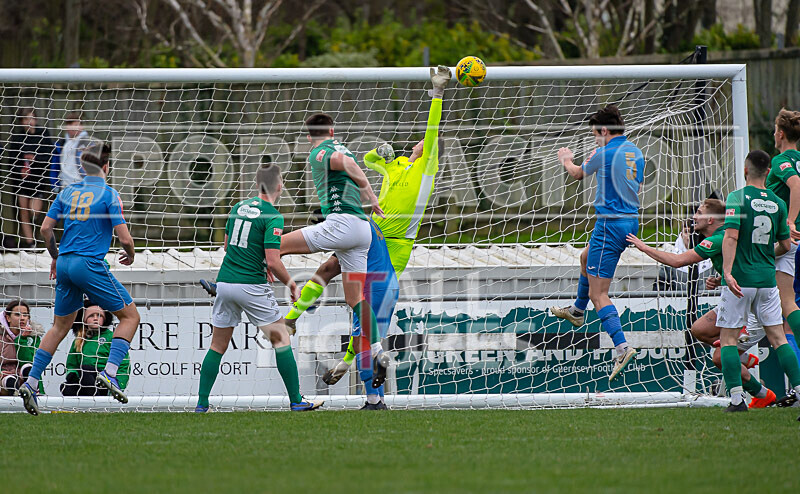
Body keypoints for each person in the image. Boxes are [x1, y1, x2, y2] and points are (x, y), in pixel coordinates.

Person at [280, 65, 451, 382]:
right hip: (369, 232)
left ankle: (348, 364)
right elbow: (369, 162)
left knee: (367, 303)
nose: (421, 142)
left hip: (395, 247)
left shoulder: (427, 168)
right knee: (331, 272)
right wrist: (379, 152)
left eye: (425, 141)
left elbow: (432, 129)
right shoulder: (398, 166)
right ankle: (292, 319)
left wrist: (437, 94)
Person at [18, 142, 141, 416]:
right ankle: (109, 372)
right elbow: (125, 238)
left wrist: (55, 256)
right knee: (131, 317)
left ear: (82, 168)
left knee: (60, 327)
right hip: (88, 263)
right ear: (107, 167)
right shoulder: (109, 194)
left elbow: (45, 229)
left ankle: (32, 382)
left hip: (65, 262)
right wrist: (130, 254)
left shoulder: (67, 191)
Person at [195, 164, 322, 413]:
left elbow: (227, 245)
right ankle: (296, 400)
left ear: (256, 184)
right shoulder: (273, 215)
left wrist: (258, 261)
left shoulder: (237, 207)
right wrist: (292, 284)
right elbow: (274, 261)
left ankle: (202, 404)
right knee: (281, 339)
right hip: (251, 286)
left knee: (217, 346)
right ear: (279, 185)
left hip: (225, 283)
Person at [627, 199, 776, 408]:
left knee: (720, 358)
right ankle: (742, 361)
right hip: (740, 297)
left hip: (751, 306)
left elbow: (677, 261)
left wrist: (643, 247)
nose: (694, 217)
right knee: (699, 329)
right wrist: (721, 278)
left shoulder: (718, 239)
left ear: (710, 219)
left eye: (698, 212)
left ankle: (760, 394)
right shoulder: (726, 236)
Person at [278, 109, 389, 389]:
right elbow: (348, 160)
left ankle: (232, 284)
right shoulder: (340, 144)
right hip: (362, 231)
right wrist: (368, 195)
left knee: (276, 246)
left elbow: (343, 162)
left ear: (308, 135)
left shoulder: (319, 152)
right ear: (332, 130)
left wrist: (368, 190)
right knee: (355, 300)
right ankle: (378, 351)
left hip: (341, 225)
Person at [550, 105, 644, 382]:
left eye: (595, 134)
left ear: (604, 131)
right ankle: (577, 312)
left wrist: (566, 159)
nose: (594, 138)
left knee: (599, 294)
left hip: (609, 224)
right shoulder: (635, 151)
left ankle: (622, 347)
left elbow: (577, 173)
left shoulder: (603, 152)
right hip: (629, 219)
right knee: (585, 258)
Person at [717, 149, 800, 412]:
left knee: (728, 339)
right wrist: (766, 253)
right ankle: (799, 391)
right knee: (778, 339)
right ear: (768, 172)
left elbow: (730, 237)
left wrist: (728, 272)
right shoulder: (778, 202)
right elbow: (786, 245)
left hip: (740, 281)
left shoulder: (737, 198)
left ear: (745, 170)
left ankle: (737, 399)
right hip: (767, 281)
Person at [766, 108, 800, 369]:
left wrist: (789, 221)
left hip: (789, 242)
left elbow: (796, 185)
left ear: (779, 133)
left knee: (787, 306)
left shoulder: (780, 161)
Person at [6, 107, 55, 248]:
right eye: (26, 119)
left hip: (38, 180)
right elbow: (11, 162)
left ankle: (41, 235)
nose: (29, 122)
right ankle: (30, 243)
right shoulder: (17, 138)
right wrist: (20, 170)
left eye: (31, 118)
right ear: (21, 121)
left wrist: (35, 159)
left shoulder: (43, 134)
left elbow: (49, 156)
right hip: (22, 182)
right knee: (24, 212)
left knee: (35, 211)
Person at [62, 303, 130, 397]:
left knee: (87, 370)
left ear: (105, 319)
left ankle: (98, 398)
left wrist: (119, 383)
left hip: (104, 379)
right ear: (84, 320)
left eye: (99, 315)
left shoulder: (112, 337)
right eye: (91, 316)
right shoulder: (79, 340)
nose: (95, 318)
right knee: (66, 388)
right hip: (83, 379)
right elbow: (71, 364)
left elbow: (123, 363)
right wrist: (72, 374)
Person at [1, 300, 43, 395]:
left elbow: (30, 361)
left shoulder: (33, 338)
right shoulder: (1, 338)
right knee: (9, 379)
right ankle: (15, 392)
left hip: (25, 376)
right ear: (8, 318)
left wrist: (22, 340)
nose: (22, 318)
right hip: (4, 378)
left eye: (25, 315)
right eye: (17, 315)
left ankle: (33, 391)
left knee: (27, 368)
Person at [51, 112, 91, 190]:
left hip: (82, 184)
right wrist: (54, 183)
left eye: (76, 125)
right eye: (70, 125)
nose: (74, 128)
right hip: (65, 184)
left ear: (82, 126)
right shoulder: (61, 144)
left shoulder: (87, 143)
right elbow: (55, 165)